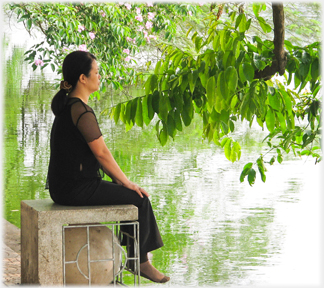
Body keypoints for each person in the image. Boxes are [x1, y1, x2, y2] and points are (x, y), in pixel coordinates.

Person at [46, 50, 170, 283]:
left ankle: (135, 259)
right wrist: (127, 183)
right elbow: (102, 154)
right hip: (75, 189)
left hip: (64, 187)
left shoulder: (69, 106)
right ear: (83, 78)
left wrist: (119, 182)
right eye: (96, 72)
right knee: (139, 198)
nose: (99, 76)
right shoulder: (80, 111)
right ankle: (140, 262)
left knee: (128, 193)